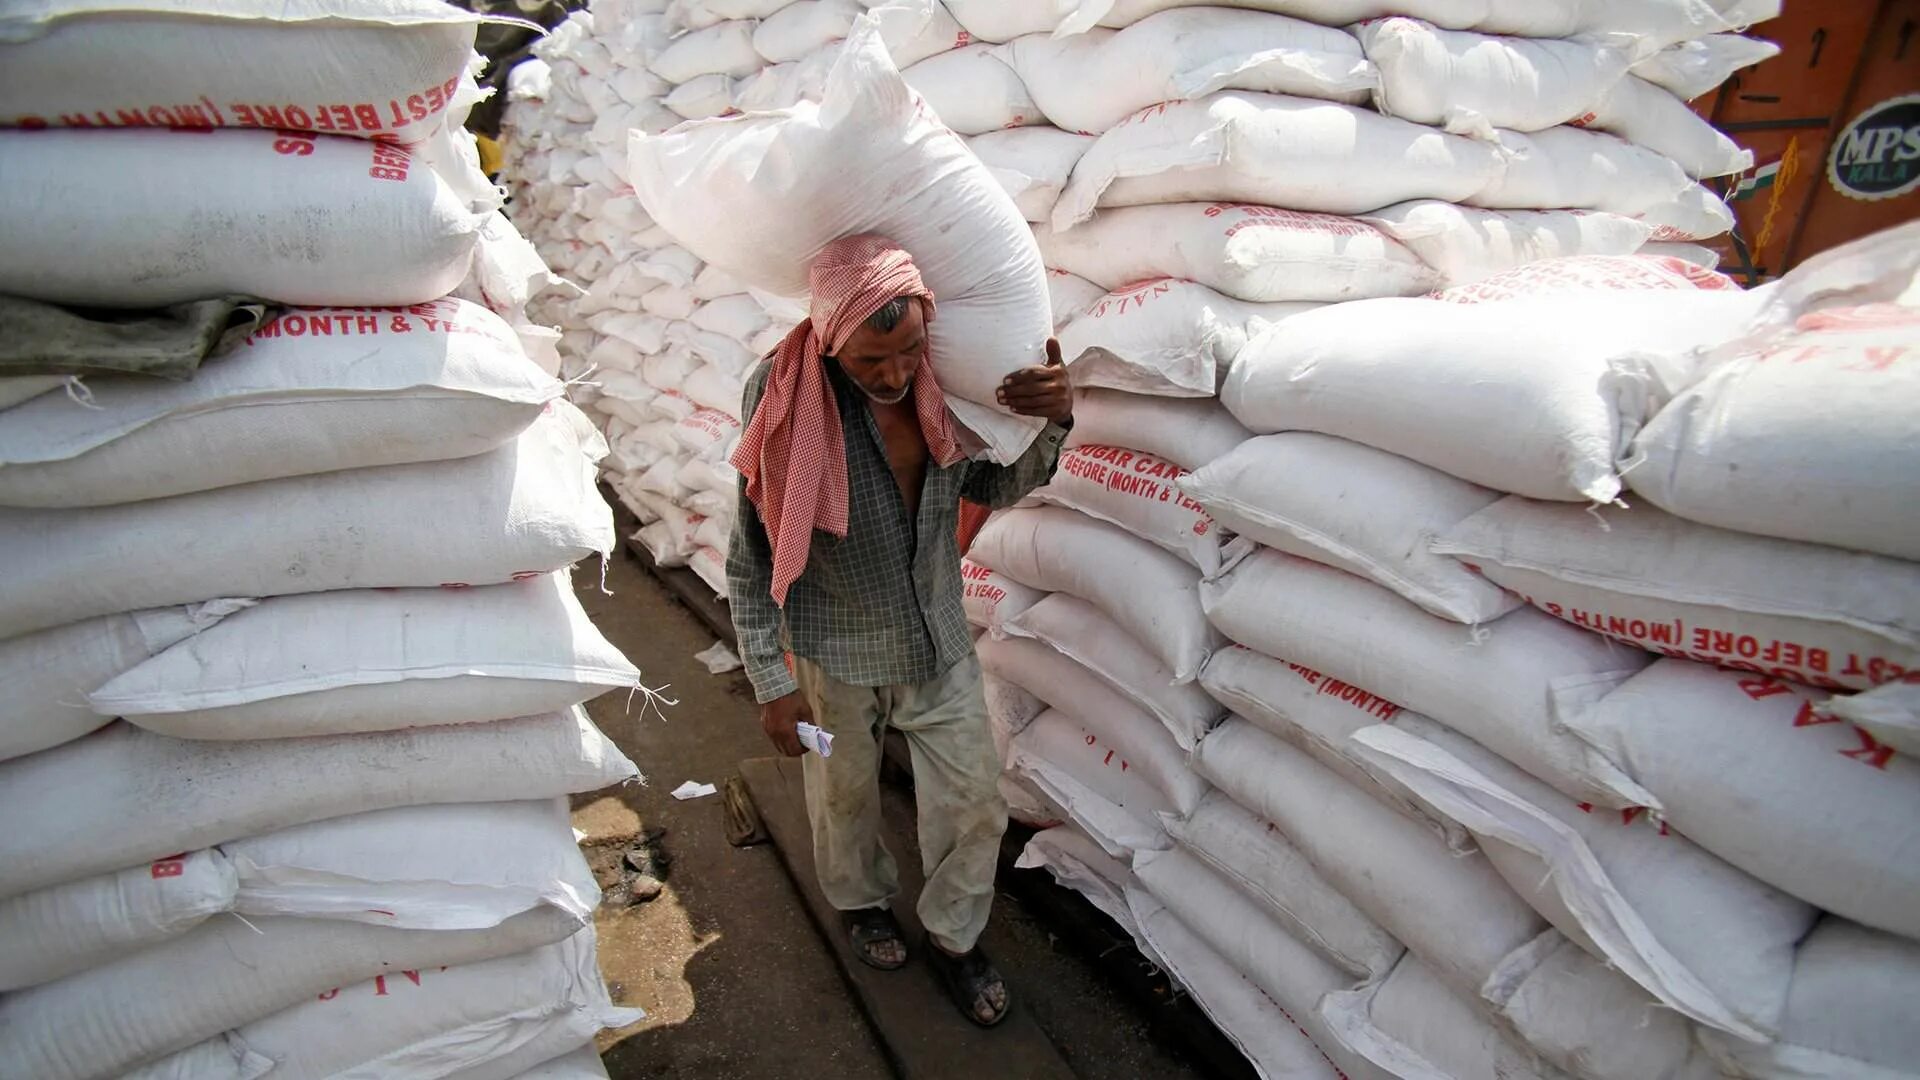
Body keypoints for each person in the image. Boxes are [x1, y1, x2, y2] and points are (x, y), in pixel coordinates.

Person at [726, 234, 1072, 1027]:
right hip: (827, 658)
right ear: (829, 338)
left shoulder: (941, 389)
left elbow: (992, 483)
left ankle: (955, 940)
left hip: (937, 644)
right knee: (839, 791)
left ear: (928, 331)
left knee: (974, 799)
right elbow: (750, 553)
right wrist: (772, 685)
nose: (891, 375)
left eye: (907, 351)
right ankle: (862, 905)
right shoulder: (783, 400)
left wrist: (1056, 422)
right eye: (868, 362)